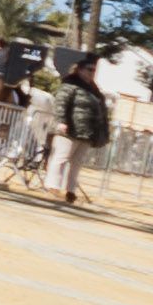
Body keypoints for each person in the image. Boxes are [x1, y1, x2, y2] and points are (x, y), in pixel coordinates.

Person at [46, 57, 109, 205]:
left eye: (94, 70)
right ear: (80, 70)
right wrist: (61, 121)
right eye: (89, 69)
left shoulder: (94, 89)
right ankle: (52, 186)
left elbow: (101, 110)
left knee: (77, 162)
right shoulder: (70, 84)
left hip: (86, 132)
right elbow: (61, 103)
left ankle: (70, 191)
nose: (92, 73)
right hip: (69, 129)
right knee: (61, 158)